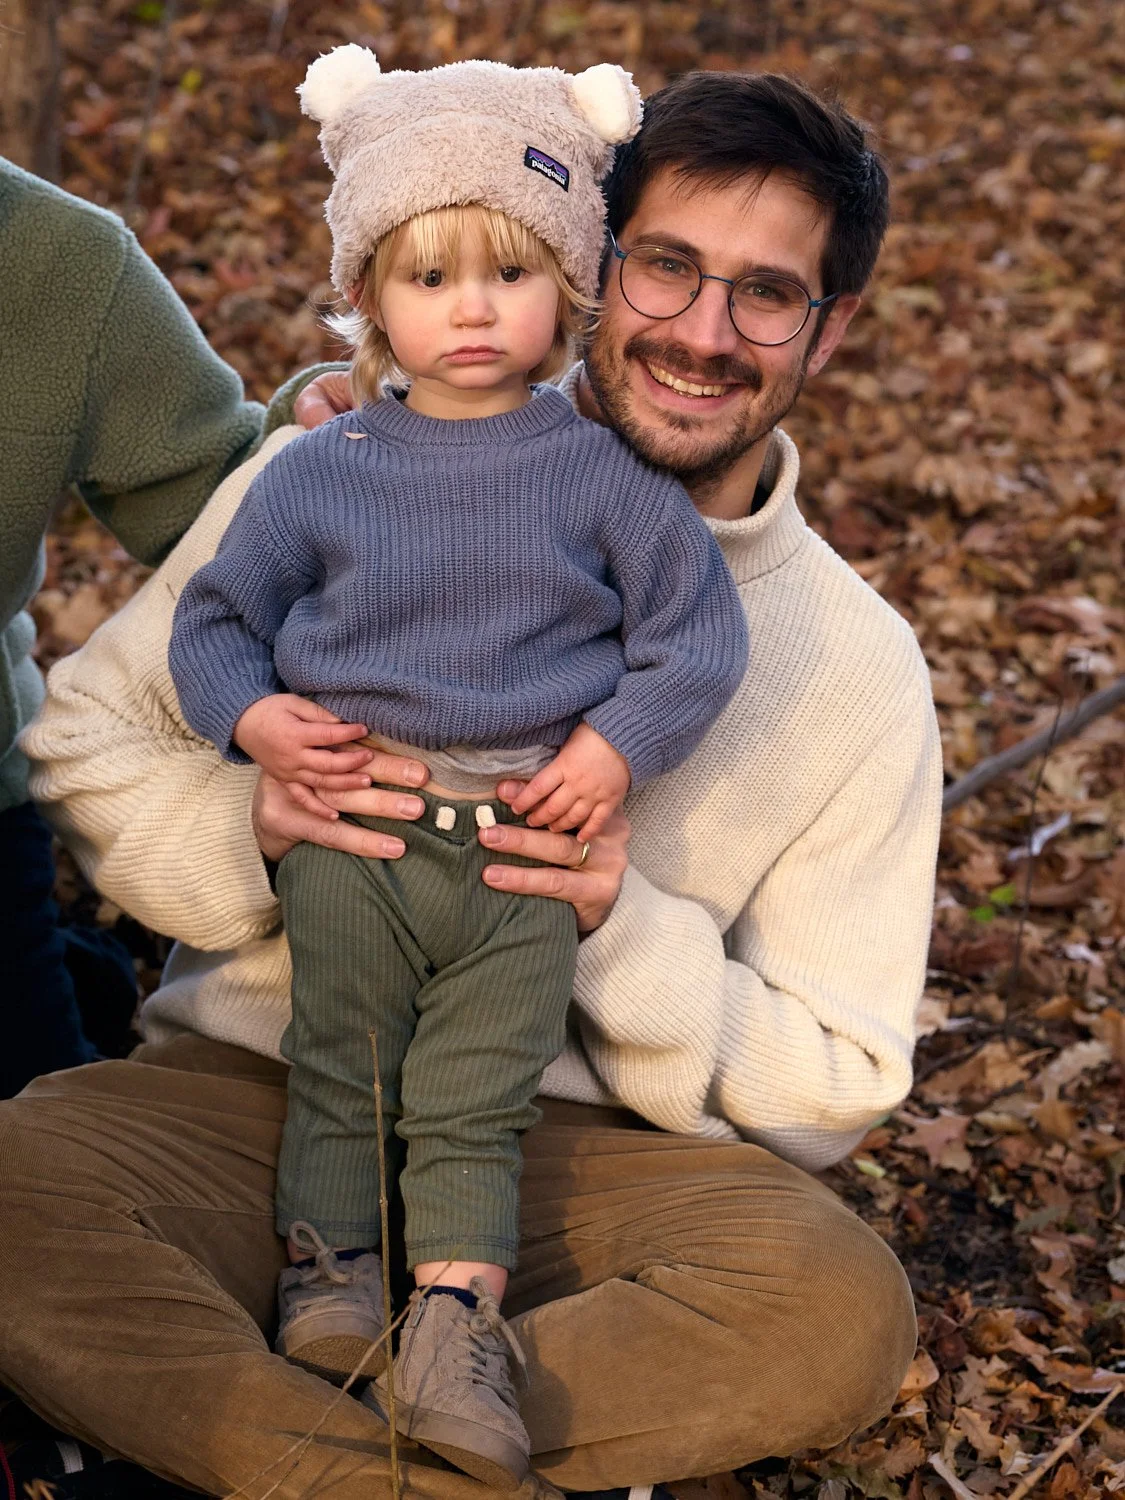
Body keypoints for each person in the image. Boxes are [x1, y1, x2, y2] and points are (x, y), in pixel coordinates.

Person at [6, 69, 942, 1500]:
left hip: (588, 1174)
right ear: (591, 262)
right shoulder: (341, 464)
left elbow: (834, 1085)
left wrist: (615, 920)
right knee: (14, 1186)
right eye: (667, 266)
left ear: (833, 325)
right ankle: (416, 1448)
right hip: (263, 1086)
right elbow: (87, 737)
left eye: (766, 295)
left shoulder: (856, 666)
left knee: (835, 1310)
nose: (703, 334)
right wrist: (257, 826)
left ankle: (237, 1448)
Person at [166, 50, 747, 1490]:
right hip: (358, 825)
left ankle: (452, 1328)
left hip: (517, 850)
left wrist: (614, 746)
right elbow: (217, 622)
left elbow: (697, 639)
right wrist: (257, 725)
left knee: (479, 1095)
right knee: (344, 1062)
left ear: (571, 287)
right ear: (370, 297)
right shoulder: (322, 470)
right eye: (429, 277)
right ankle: (330, 1278)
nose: (472, 308)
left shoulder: (604, 477)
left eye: (510, 272)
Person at [0, 158, 320, 1097]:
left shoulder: (60, 261)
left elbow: (214, 504)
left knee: (36, 1152)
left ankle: (80, 977)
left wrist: (329, 431)